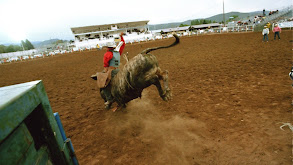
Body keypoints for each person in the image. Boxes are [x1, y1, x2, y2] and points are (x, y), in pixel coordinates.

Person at [101, 32, 125, 109]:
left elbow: (105, 66)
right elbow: (123, 44)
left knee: (103, 83)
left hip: (112, 71)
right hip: (118, 70)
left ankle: (109, 99)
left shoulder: (107, 54)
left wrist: (105, 72)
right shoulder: (117, 52)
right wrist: (121, 37)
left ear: (108, 48)